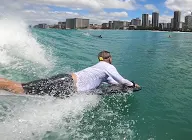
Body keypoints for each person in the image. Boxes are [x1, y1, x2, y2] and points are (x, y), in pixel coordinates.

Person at [0, 50, 140, 97]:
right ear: (109, 58)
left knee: (22, 88)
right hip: (66, 83)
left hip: (66, 83)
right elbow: (122, 81)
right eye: (111, 58)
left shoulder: (101, 69)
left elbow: (114, 83)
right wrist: (133, 84)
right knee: (21, 88)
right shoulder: (107, 66)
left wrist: (125, 88)